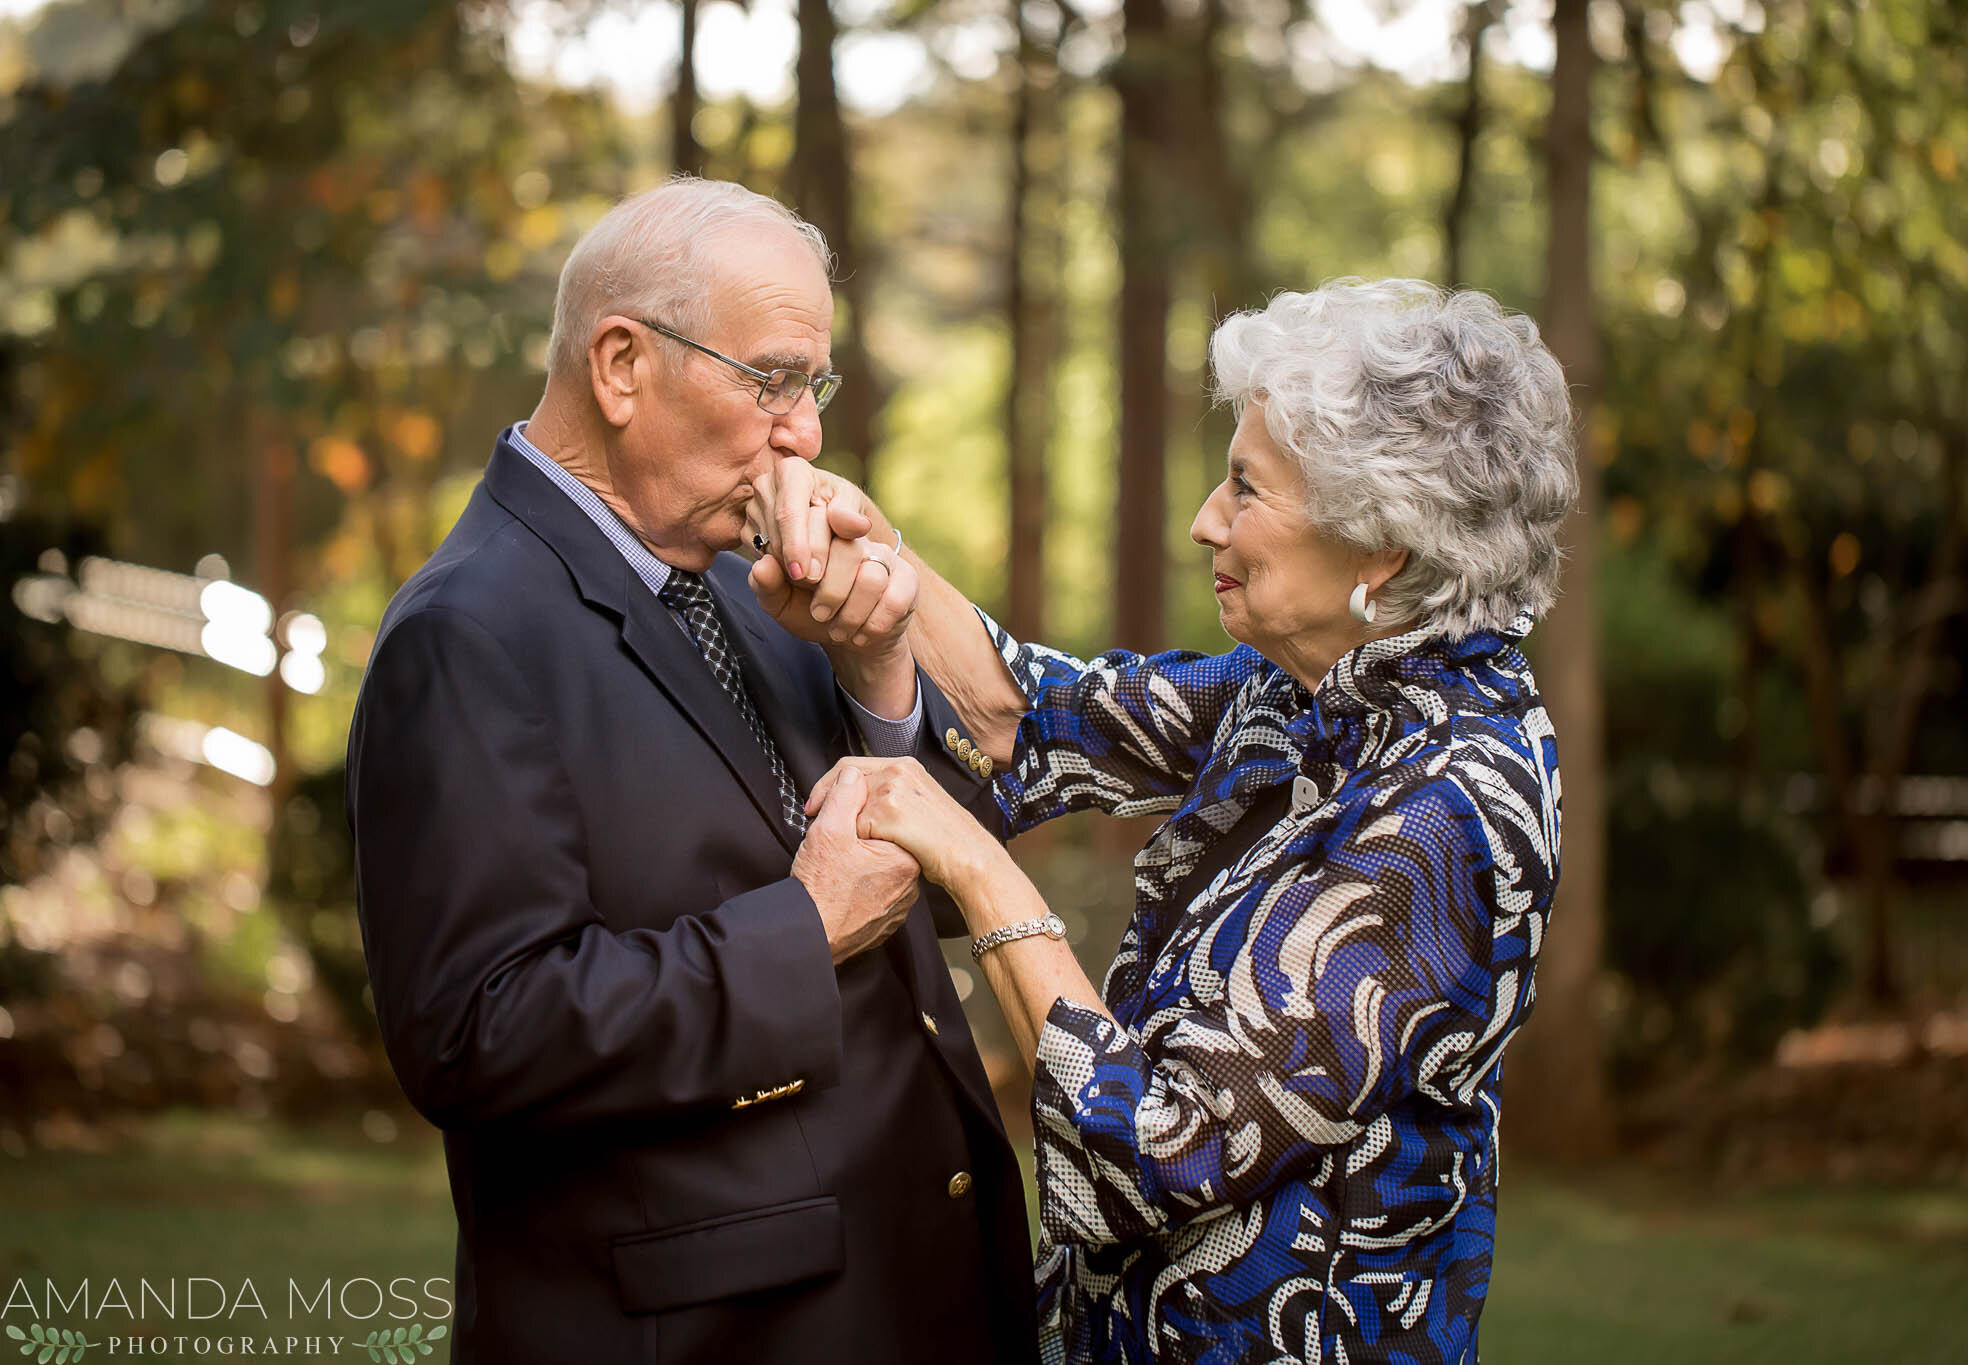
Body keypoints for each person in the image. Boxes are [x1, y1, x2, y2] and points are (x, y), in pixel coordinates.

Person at [757, 280, 1576, 1364]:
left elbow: (1152, 1153)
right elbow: (1026, 713)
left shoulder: (1452, 806)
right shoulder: (1306, 692)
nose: (1205, 521)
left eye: (1246, 489)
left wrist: (977, 869)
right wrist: (878, 557)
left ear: (1379, 544)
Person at [345, 177, 1034, 1365]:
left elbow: (912, 878)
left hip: (906, 1282)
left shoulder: (748, 583)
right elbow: (477, 1033)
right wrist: (802, 928)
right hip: (717, 1328)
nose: (803, 434)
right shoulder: (465, 634)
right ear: (620, 365)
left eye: (810, 388)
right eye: (770, 380)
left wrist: (877, 674)